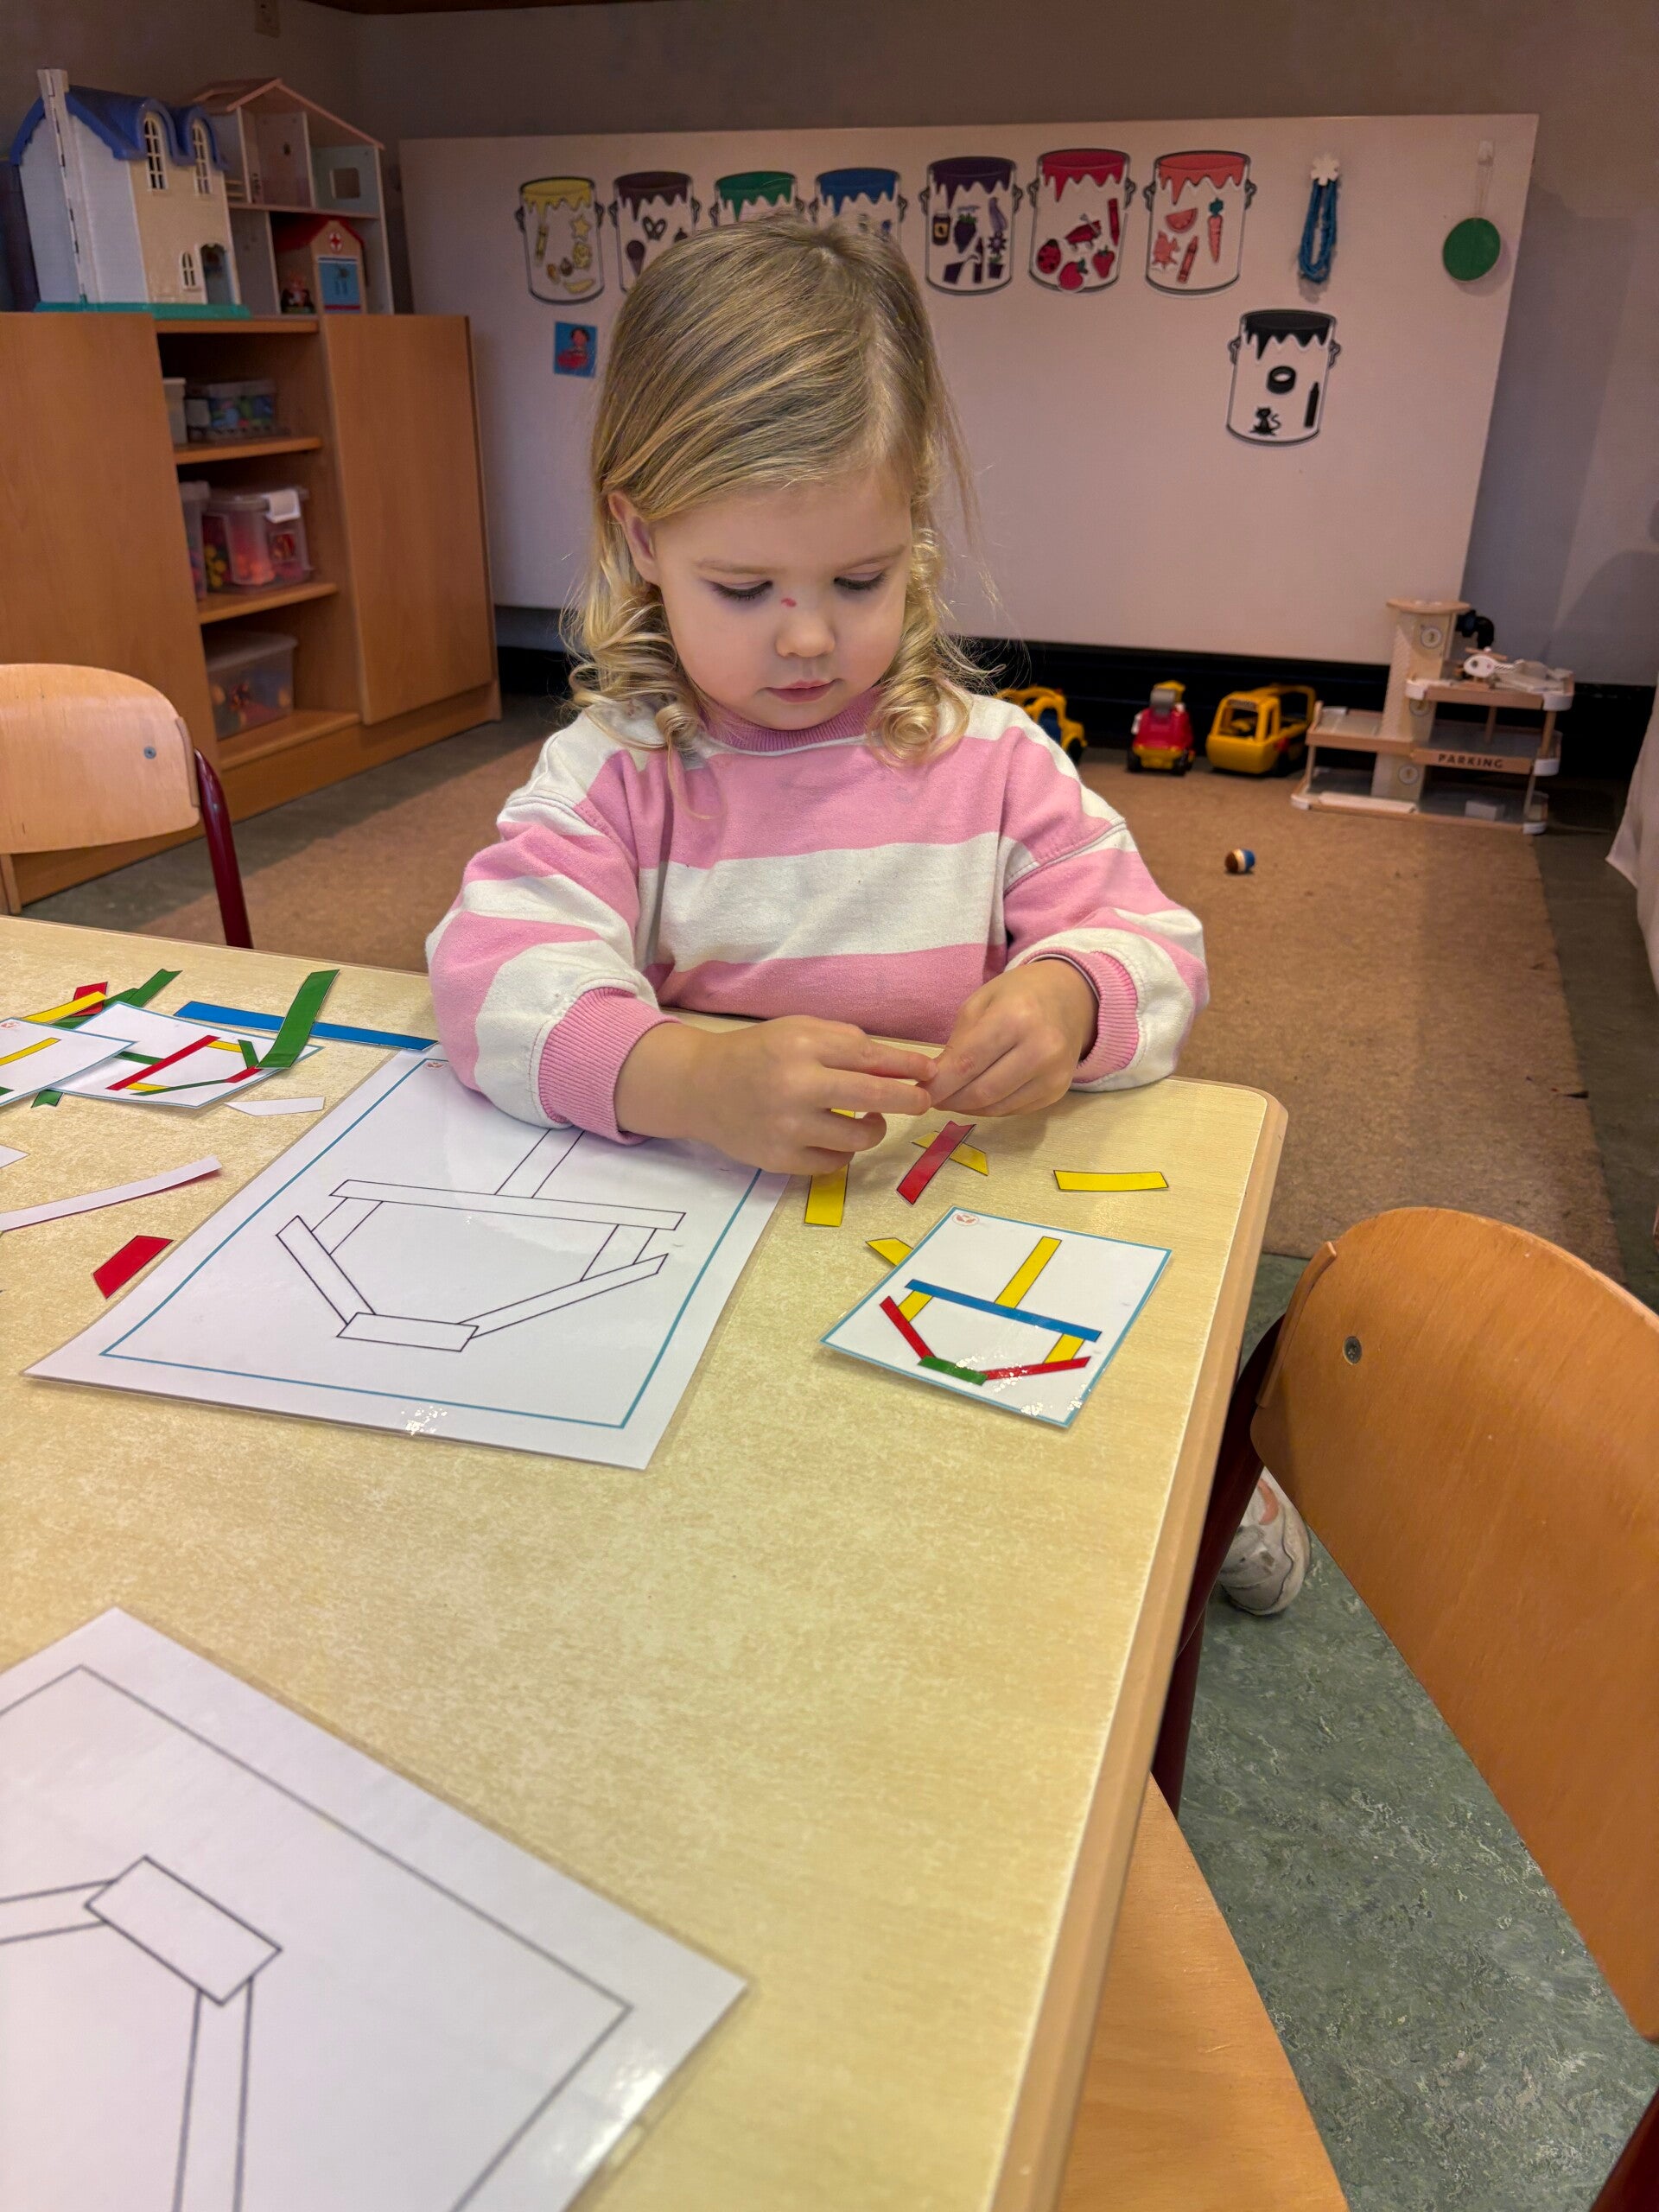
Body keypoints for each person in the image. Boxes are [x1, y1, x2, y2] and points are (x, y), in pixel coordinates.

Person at [428, 217, 1300, 1600]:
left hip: (967, 1231)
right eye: (744, 588)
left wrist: (1070, 997)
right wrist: (683, 1074)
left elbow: (1155, 948)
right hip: (714, 1244)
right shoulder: (619, 774)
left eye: (860, 580)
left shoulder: (994, 762)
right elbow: (489, 984)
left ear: (914, 539)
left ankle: (1186, 1477)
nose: (808, 636)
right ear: (641, 536)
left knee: (1054, 1520)